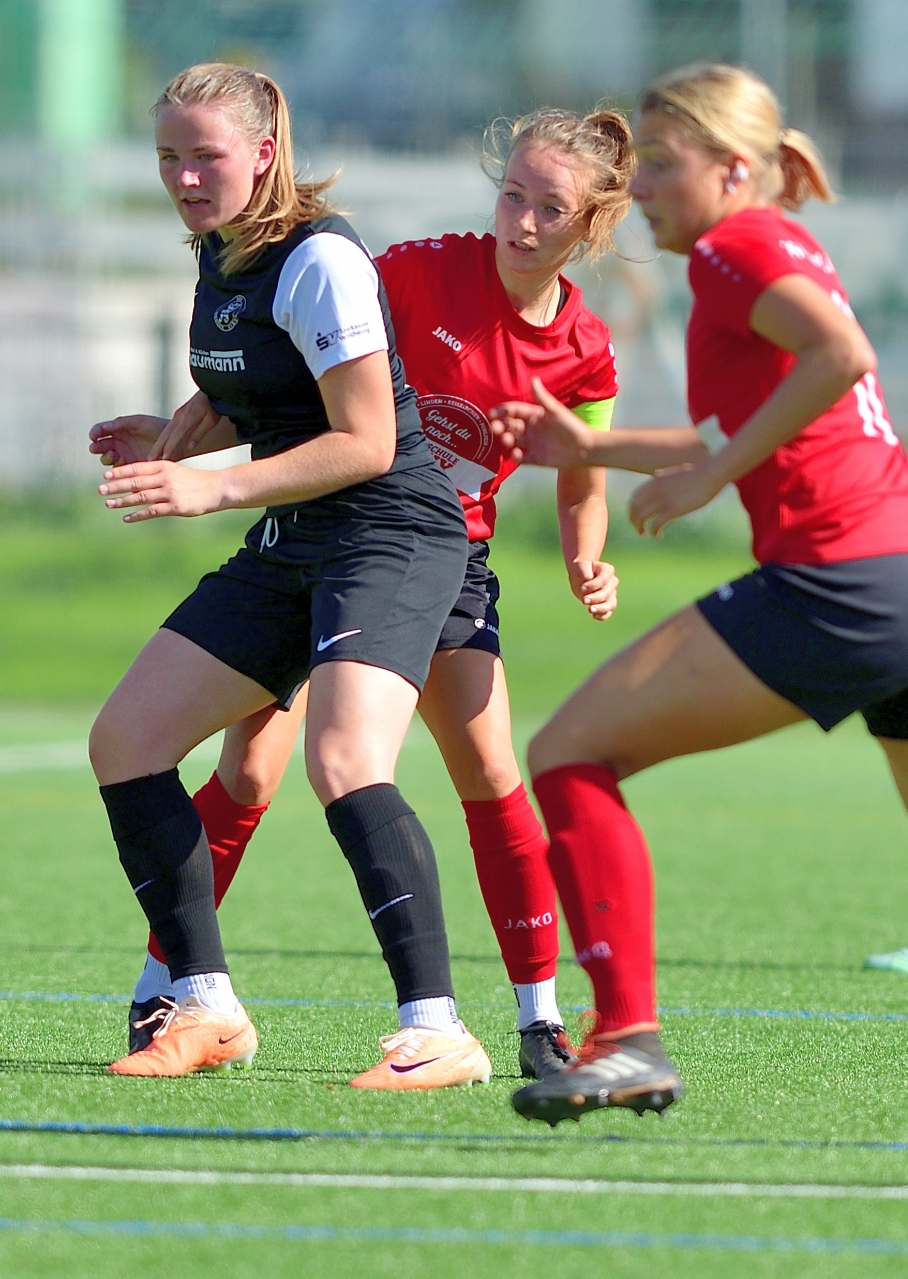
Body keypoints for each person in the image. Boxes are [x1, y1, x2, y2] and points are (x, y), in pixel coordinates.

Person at [110, 107, 634, 1084]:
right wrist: (185, 435)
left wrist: (584, 557)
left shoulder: (588, 350)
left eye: (547, 207)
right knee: (250, 771)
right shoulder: (417, 269)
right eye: (510, 194)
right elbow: (293, 366)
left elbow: (584, 475)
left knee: (486, 772)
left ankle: (538, 1014)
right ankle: (173, 990)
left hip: (442, 559)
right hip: (324, 532)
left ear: (589, 225)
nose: (519, 220)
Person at [489, 63, 908, 1123]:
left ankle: (625, 1036)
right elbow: (766, 415)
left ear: (732, 169)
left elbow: (839, 355)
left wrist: (709, 480)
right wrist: (596, 447)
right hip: (893, 573)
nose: (645, 191)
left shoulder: (735, 247)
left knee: (569, 752)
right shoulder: (778, 244)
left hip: (840, 583)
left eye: (664, 166)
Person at [86, 62, 482, 1085]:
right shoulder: (223, 257)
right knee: (128, 741)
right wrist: (169, 439)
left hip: (389, 531)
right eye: (168, 155)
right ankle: (205, 1004)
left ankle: (439, 1028)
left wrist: (208, 488)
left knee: (345, 761)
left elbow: (366, 440)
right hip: (299, 536)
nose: (181, 176)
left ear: (265, 153)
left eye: (204, 156)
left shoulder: (319, 259)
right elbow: (253, 384)